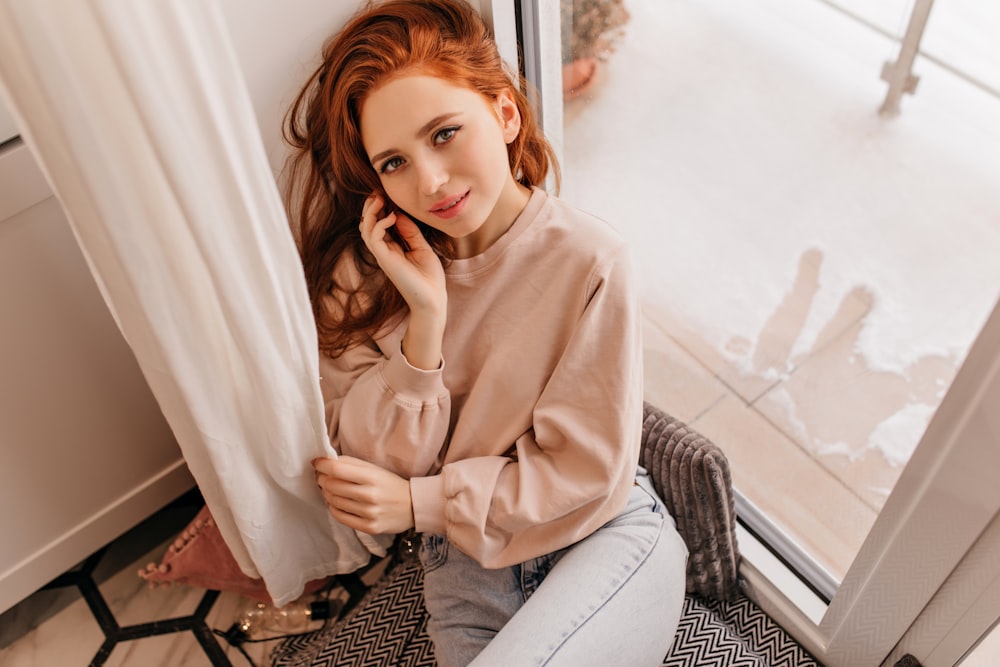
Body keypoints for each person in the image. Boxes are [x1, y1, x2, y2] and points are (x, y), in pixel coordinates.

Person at [285, 1, 687, 664]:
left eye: (444, 133)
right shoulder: (364, 275)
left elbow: (583, 471)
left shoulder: (590, 260)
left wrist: (422, 502)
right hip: (465, 570)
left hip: (600, 536)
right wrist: (426, 325)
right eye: (394, 163)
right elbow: (371, 469)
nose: (430, 181)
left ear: (504, 113)